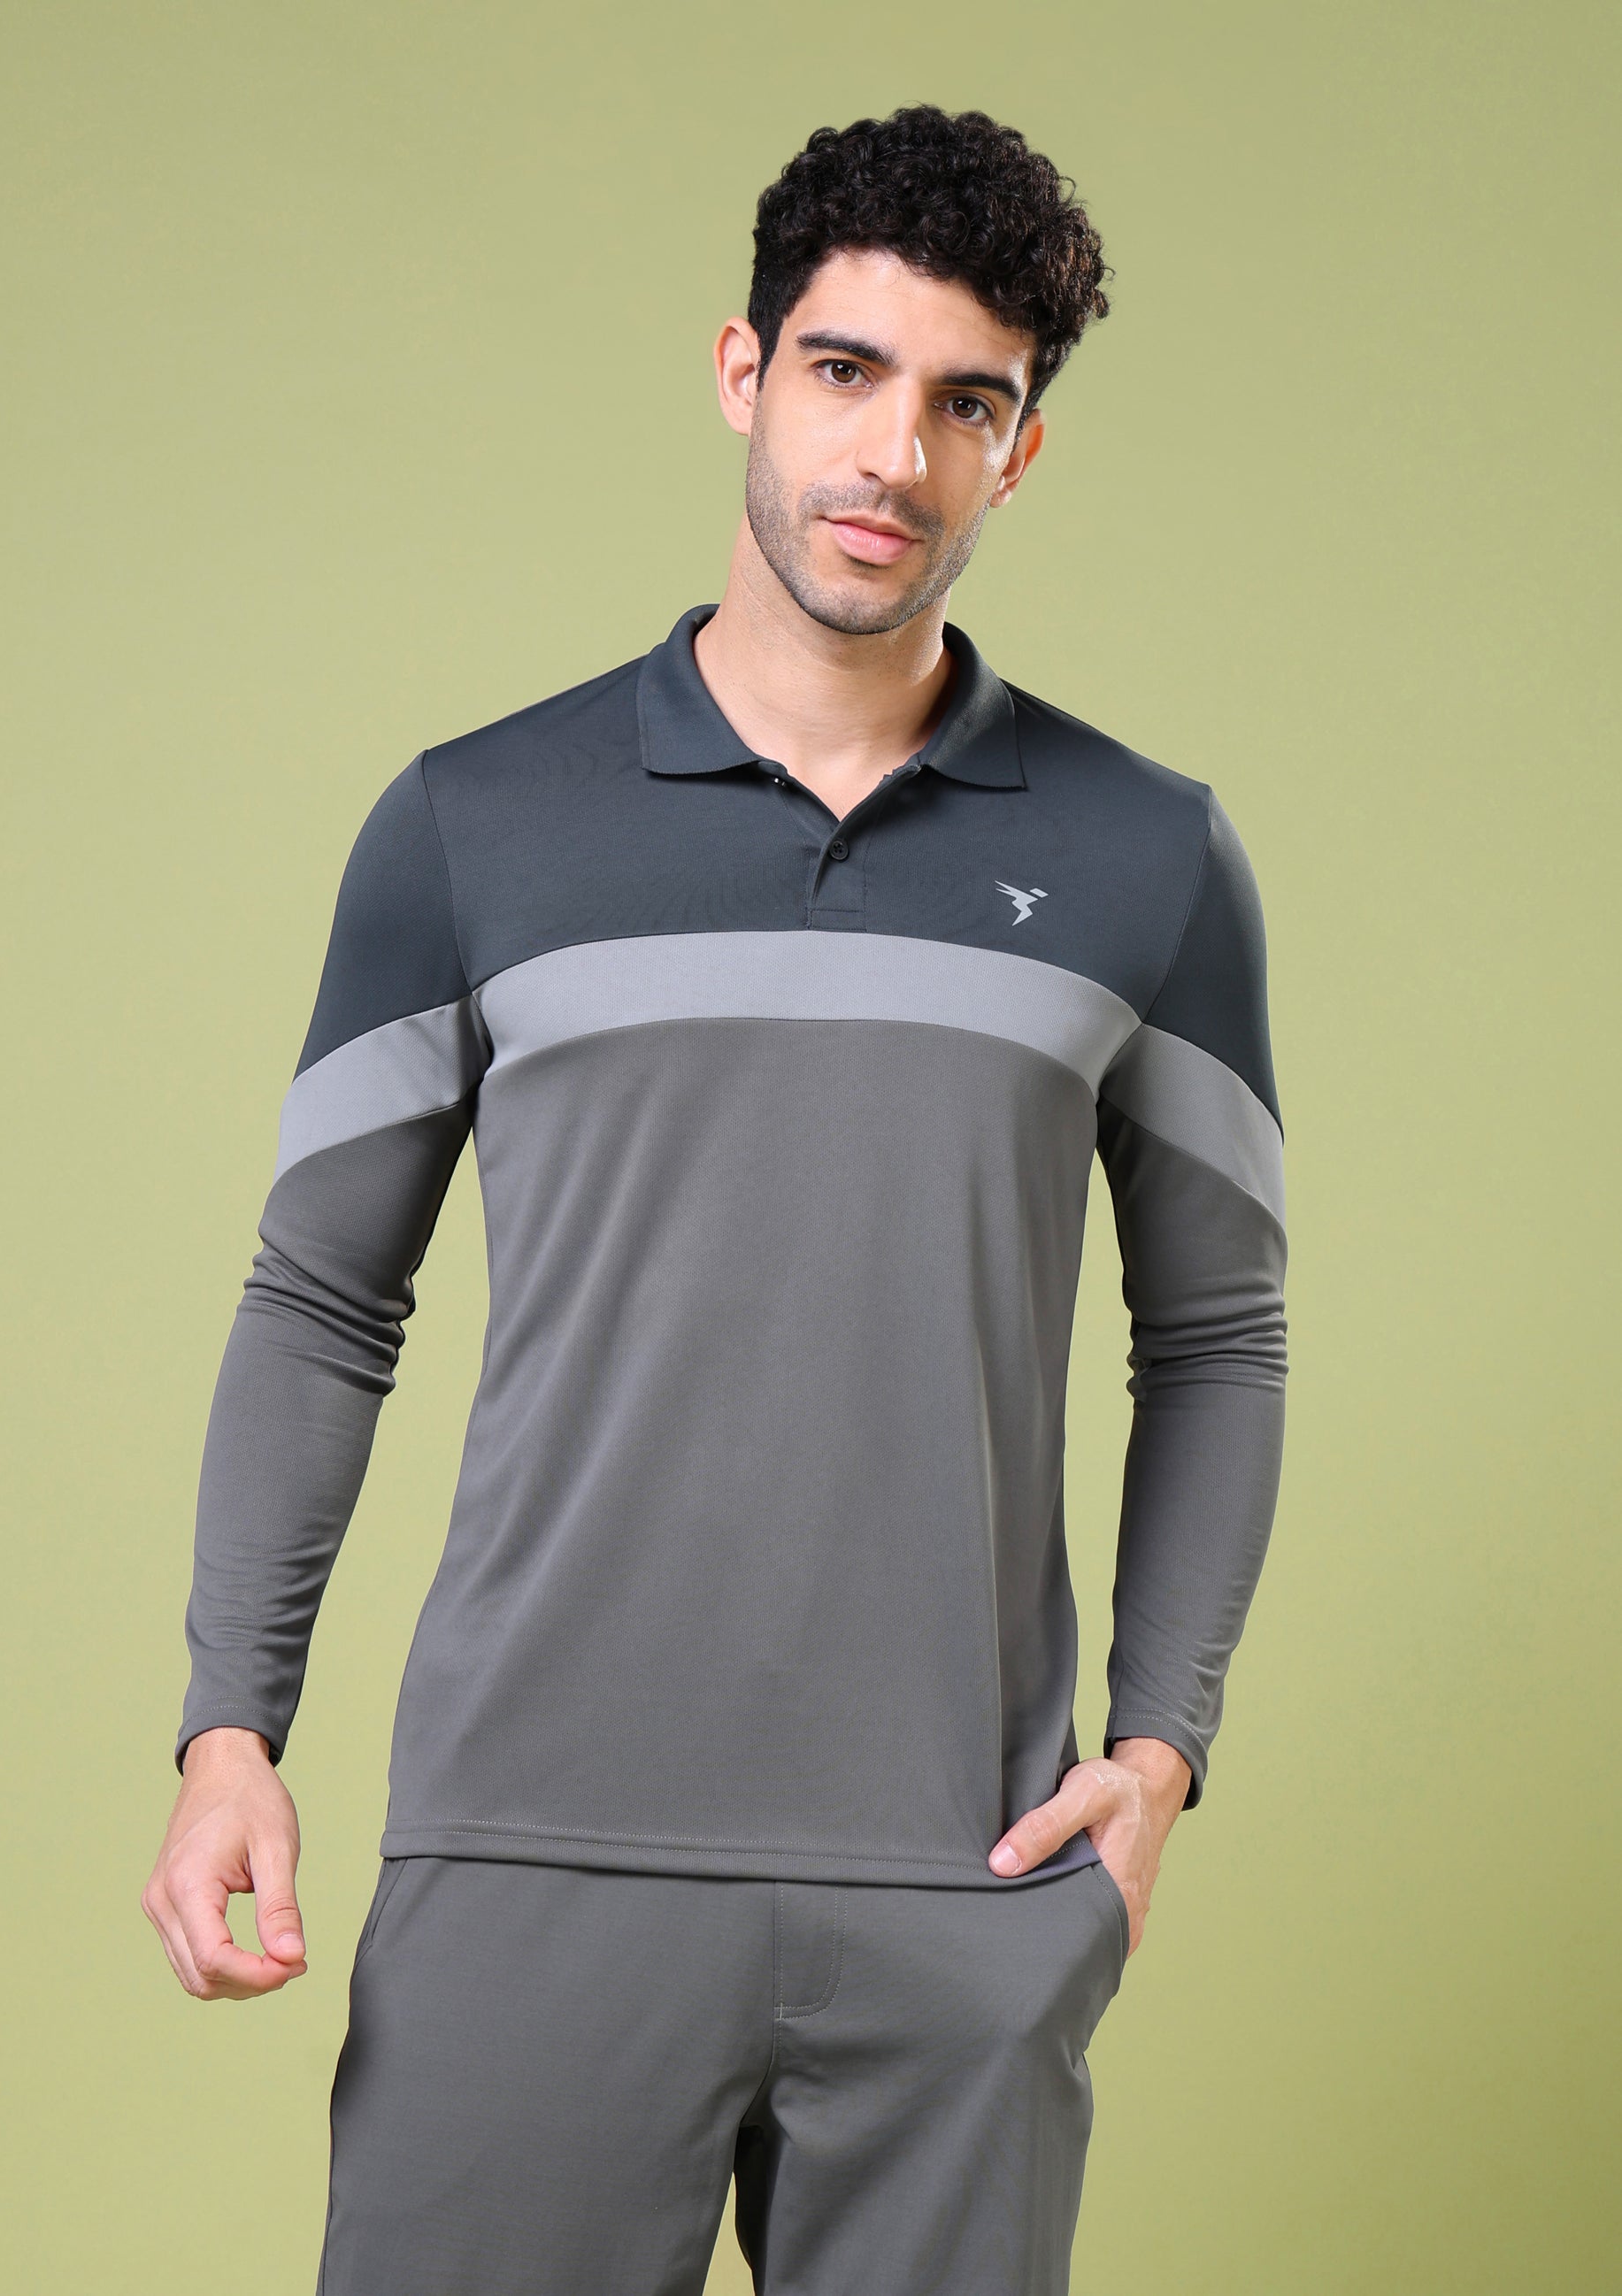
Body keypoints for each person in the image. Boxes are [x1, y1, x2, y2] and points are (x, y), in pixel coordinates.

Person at [142, 103, 1288, 2296]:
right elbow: (319, 1300)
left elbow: (1219, 1331)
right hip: (524, 1863)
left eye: (968, 402)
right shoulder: (475, 821)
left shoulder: (1151, 855)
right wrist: (227, 1730)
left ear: (1020, 449)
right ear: (743, 371)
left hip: (961, 1881)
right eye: (845, 371)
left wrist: (1159, 1752)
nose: (894, 454)